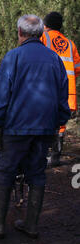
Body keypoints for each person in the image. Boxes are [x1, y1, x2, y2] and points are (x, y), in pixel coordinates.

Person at [0, 14, 70, 239]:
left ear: (20, 33)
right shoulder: (55, 59)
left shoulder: (13, 57)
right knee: (37, 173)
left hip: (17, 127)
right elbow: (63, 97)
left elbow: (2, 94)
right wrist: (58, 124)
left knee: (5, 171)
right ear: (41, 34)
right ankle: (31, 225)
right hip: (45, 128)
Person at [41, 11, 80, 166]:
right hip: (67, 93)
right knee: (61, 124)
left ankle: (41, 156)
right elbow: (77, 68)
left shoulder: (43, 38)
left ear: (45, 25)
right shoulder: (70, 44)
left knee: (43, 121)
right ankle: (56, 157)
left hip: (47, 90)